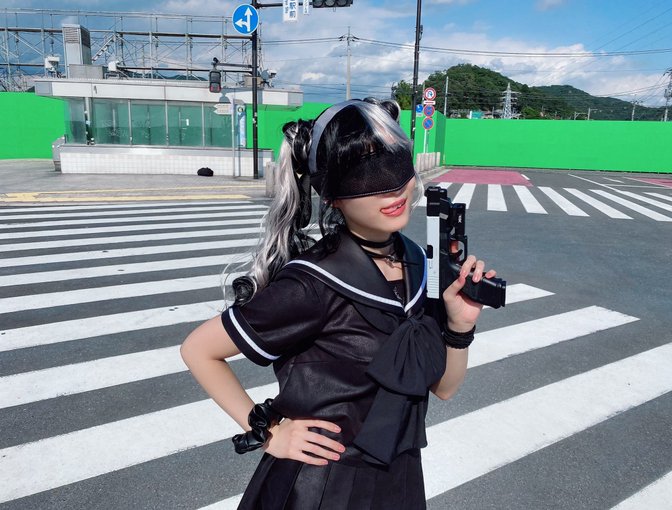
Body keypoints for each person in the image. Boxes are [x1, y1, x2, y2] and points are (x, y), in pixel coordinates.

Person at [181, 98, 496, 509]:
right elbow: (199, 350)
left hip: (398, 483)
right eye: (364, 174)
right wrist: (270, 433)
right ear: (332, 196)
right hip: (322, 488)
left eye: (395, 163)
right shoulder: (313, 281)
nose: (392, 189)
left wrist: (459, 327)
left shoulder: (420, 266)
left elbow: (444, 388)